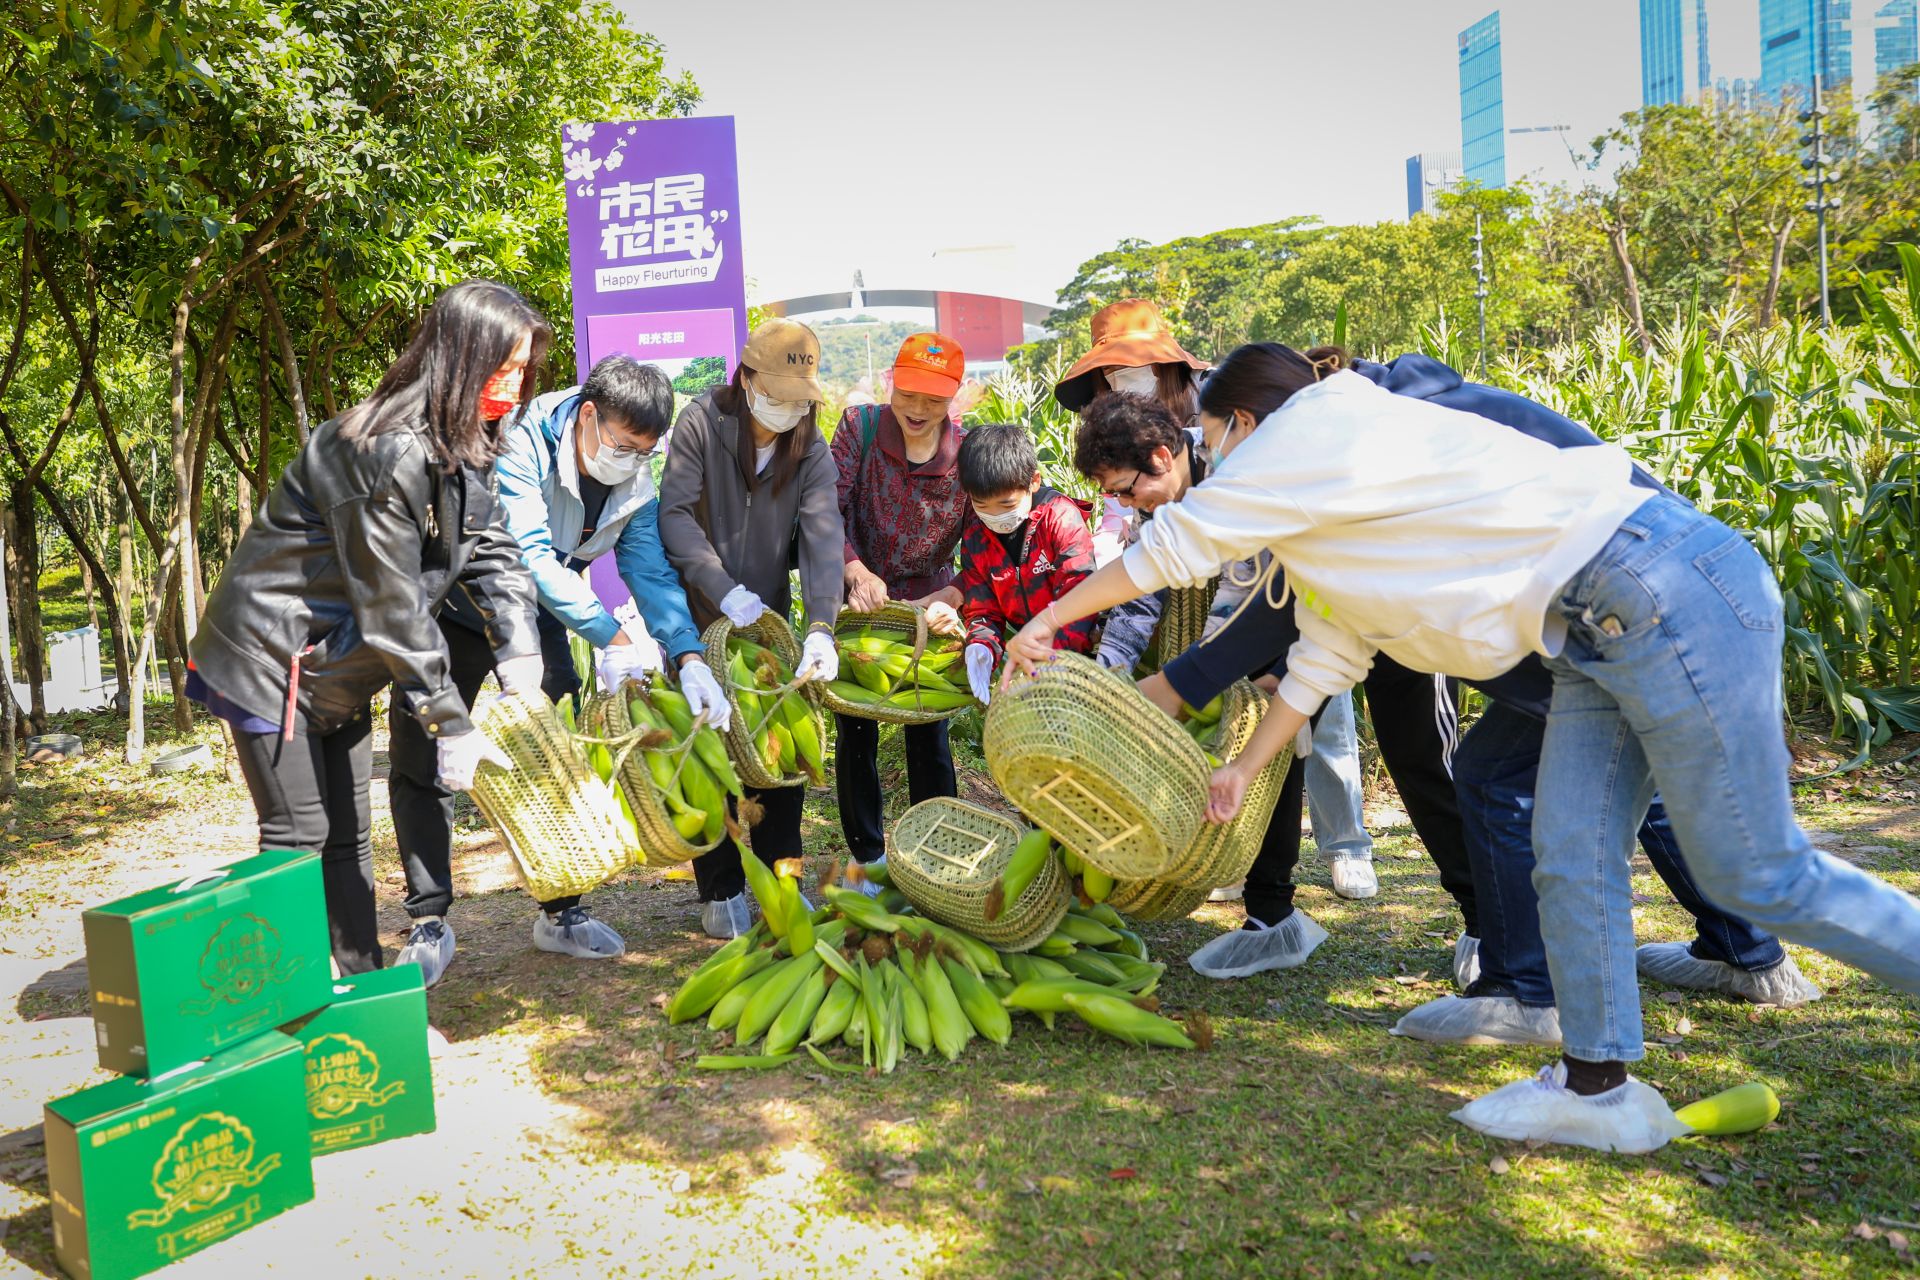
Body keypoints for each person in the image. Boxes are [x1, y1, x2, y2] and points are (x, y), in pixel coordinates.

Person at [1004, 341, 1920, 1153]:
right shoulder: (1331, 524)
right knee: (1566, 853)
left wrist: (1046, 619)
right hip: (1587, 639)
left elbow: (1181, 546)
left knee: (1758, 872)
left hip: (1654, 582)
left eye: (1211, 443)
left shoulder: (1313, 431)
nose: (1212, 466)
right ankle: (1597, 1089)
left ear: (1240, 423)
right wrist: (1242, 768)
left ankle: (1741, 959)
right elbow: (1328, 650)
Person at [1148, 350, 1817, 1038]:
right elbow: (1307, 622)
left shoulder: (1361, 443)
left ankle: (1529, 989)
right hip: (1643, 577)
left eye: (1214, 435)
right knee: (1596, 769)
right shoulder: (1388, 418)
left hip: (1611, 591)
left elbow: (1278, 605)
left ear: (1258, 420)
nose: (1218, 455)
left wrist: (1172, 680)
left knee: (1502, 776)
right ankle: (1745, 955)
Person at [189, 280, 547, 975]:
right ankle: (288, 1002)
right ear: (461, 358)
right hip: (273, 653)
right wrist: (450, 719)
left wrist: (521, 650)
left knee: (351, 836)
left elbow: (494, 549)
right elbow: (392, 604)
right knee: (297, 834)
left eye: (523, 370)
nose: (514, 385)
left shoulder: (465, 441)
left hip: (340, 666)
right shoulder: (383, 450)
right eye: (503, 368)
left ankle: (360, 990)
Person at [387, 355, 733, 984]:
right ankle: (429, 917)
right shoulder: (521, 437)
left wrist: (684, 653)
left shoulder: (634, 476)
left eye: (642, 452)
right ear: (590, 415)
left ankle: (560, 910)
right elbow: (530, 555)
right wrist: (610, 632)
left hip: (542, 611)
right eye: (623, 446)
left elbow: (649, 569)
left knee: (555, 752)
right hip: (456, 602)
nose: (629, 460)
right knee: (424, 753)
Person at [1071, 390, 1378, 905]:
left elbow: (1259, 587)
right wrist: (1110, 672)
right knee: (1264, 745)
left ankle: (1348, 847)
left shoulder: (1235, 468)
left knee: (1325, 725)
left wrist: (1233, 671)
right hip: (1253, 623)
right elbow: (1139, 595)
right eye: (1117, 497)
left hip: (1322, 605)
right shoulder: (1156, 503)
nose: (1126, 503)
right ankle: (1261, 883)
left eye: (1126, 489)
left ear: (1162, 458)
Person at [658, 319, 844, 938]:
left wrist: (820, 624)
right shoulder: (702, 423)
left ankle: (783, 881)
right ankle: (719, 890)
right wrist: (719, 587)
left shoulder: (810, 445)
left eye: (802, 398)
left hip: (765, 623)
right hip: (697, 613)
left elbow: (822, 538)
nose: (791, 409)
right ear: (747, 379)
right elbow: (677, 517)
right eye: (781, 394)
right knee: (708, 753)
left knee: (777, 757)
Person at [832, 334, 972, 883]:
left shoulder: (968, 454)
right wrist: (853, 569)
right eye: (909, 393)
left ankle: (937, 854)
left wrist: (952, 595)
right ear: (892, 381)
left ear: (954, 397)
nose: (917, 410)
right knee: (856, 731)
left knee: (928, 731)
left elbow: (985, 542)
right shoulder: (859, 428)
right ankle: (866, 858)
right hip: (860, 603)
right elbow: (826, 507)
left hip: (931, 608)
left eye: (934, 399)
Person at [956, 423, 1100, 702]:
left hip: (1082, 649)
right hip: (1030, 651)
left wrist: (1051, 662)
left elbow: (1080, 597)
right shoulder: (976, 536)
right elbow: (983, 607)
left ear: (1033, 481)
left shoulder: (1059, 520)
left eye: (1007, 505)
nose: (995, 517)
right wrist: (981, 645)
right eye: (981, 505)